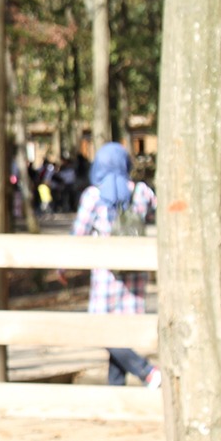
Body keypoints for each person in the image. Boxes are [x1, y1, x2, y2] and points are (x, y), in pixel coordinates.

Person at [73, 142, 160, 387]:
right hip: (134, 273)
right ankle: (117, 391)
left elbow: (79, 233)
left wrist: (62, 267)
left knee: (100, 327)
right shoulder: (143, 192)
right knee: (118, 331)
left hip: (106, 273)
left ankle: (147, 371)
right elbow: (155, 215)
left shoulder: (94, 195)